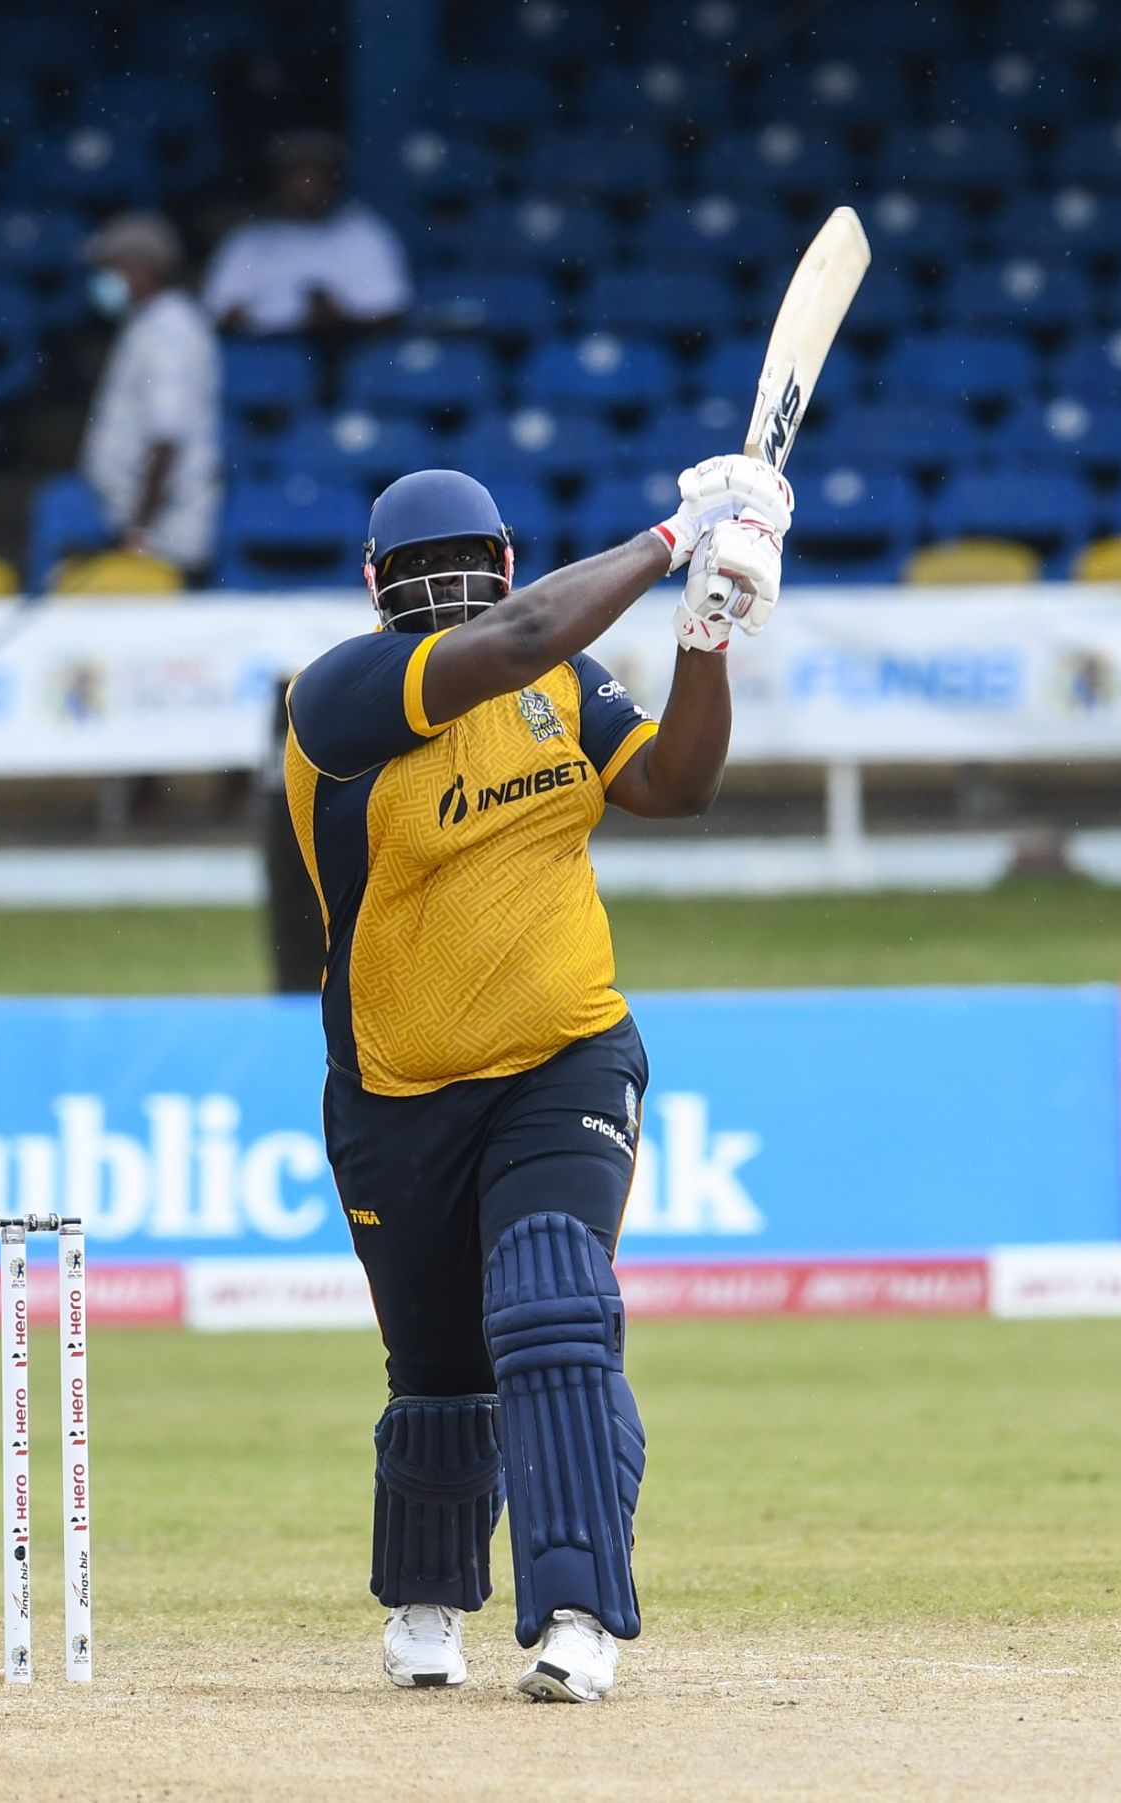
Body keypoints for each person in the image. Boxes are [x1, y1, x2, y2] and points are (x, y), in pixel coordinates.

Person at [283, 458, 792, 1702]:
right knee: (441, 1372)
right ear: (372, 589)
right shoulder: (335, 701)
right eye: (415, 569)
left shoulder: (565, 683)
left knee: (555, 1306)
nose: (443, 583)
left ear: (506, 559)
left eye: (462, 559)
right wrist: (675, 531)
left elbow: (676, 787)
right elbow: (507, 642)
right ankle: (426, 1596)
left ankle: (575, 1612)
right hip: (396, 1094)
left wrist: (707, 633)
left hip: (565, 1054)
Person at [79, 213, 222, 582]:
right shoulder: (149, 324)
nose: (105, 280)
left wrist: (139, 528)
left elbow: (166, 438)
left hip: (161, 534)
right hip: (146, 526)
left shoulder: (170, 331)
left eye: (113, 268)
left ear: (143, 268)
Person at [203, 131, 412, 336]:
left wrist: (338, 321)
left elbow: (390, 317)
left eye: (316, 174)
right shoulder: (249, 240)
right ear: (279, 181)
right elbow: (222, 316)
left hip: (345, 354)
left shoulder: (366, 232)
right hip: (267, 354)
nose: (307, 185)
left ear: (333, 179)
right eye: (297, 175)